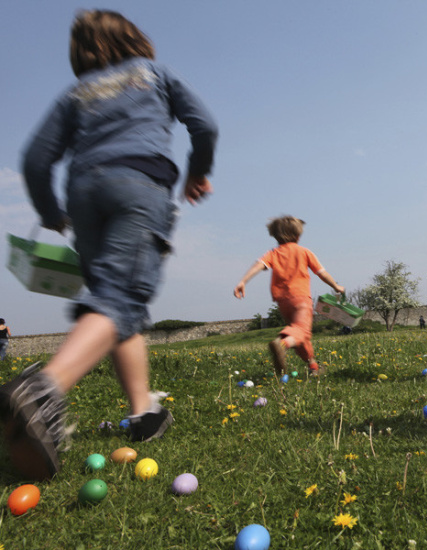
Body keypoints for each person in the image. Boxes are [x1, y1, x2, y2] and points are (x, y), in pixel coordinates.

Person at [0, 9, 218, 480]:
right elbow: (204, 125)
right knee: (121, 296)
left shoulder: (73, 94)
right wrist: (199, 171)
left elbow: (36, 160)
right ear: (134, 40)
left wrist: (50, 214)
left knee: (119, 305)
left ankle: (143, 413)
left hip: (84, 194)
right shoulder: (154, 73)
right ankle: (42, 390)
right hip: (138, 184)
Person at [234, 216, 344, 377]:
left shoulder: (273, 253)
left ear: (275, 236)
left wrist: (243, 281)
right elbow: (321, 273)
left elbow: (259, 265)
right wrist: (335, 286)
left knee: (298, 334)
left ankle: (313, 366)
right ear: (298, 235)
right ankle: (282, 344)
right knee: (302, 331)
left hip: (283, 301)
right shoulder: (304, 252)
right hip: (301, 298)